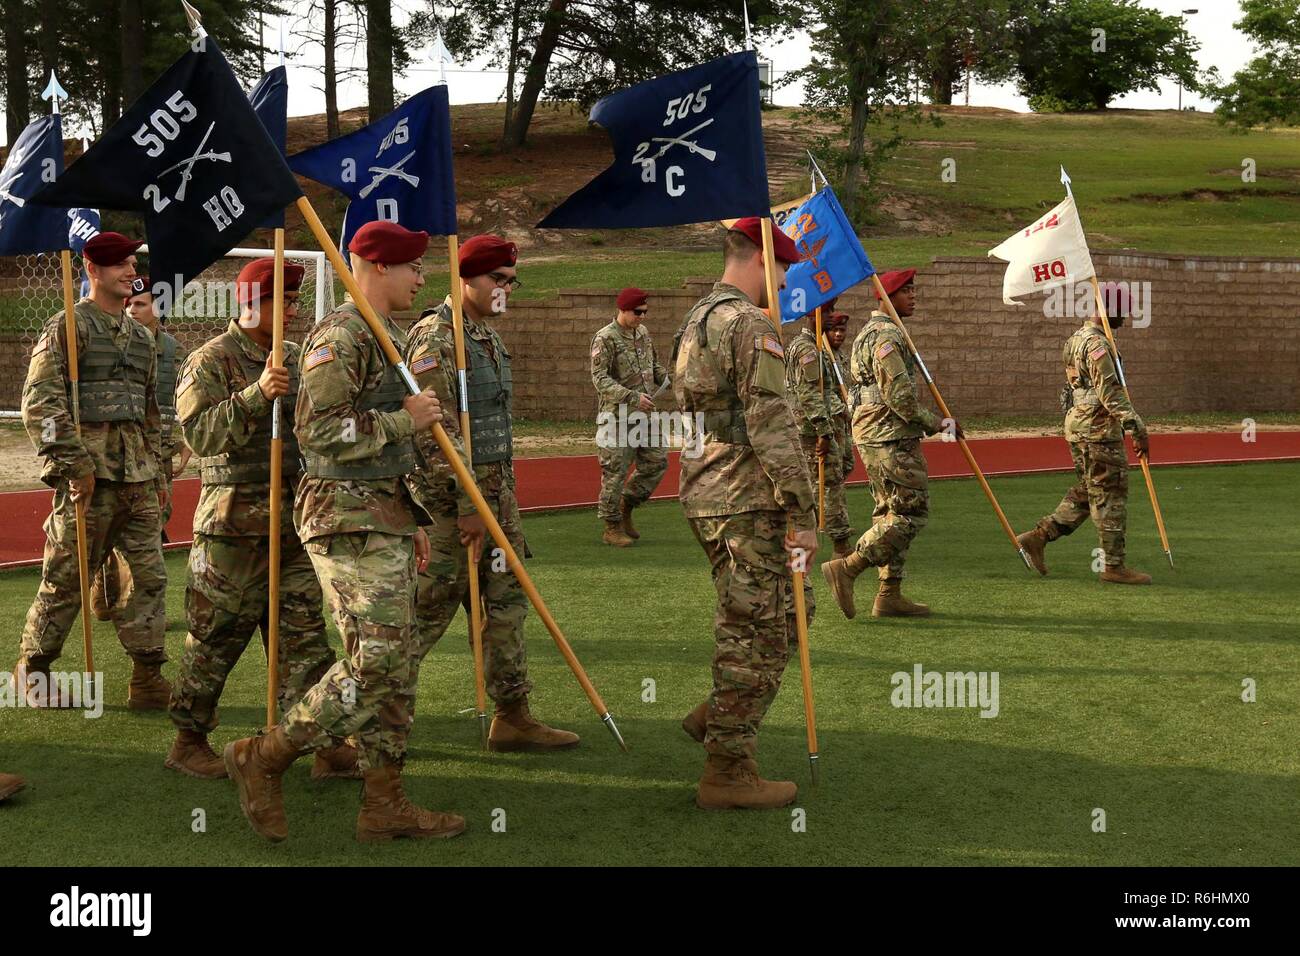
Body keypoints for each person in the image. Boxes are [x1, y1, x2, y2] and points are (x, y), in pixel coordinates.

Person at [224, 221, 465, 843]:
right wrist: (402, 420)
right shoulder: (342, 334)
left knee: (398, 662)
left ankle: (385, 804)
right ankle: (266, 755)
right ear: (379, 268)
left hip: (379, 512)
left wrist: (407, 515)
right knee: (378, 659)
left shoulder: (382, 333)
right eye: (413, 266)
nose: (422, 277)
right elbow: (319, 433)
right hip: (342, 515)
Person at [164, 258, 356, 780]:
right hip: (231, 529)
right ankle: (188, 740)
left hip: (292, 522)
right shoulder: (210, 361)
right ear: (251, 303)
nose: (293, 311)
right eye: (283, 301)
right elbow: (199, 436)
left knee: (304, 637)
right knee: (214, 637)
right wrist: (256, 394)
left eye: (296, 301)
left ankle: (323, 743)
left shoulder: (296, 359)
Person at [405, 234, 578, 752]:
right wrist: (468, 506)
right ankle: (365, 720)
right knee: (422, 619)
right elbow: (435, 435)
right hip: (451, 511)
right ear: (465, 279)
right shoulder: (436, 339)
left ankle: (513, 715)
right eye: (495, 281)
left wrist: (493, 506)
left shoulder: (487, 338)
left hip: (497, 504)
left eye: (510, 282)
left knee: (505, 609)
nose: (505, 290)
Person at [674, 217, 816, 810]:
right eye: (783, 270)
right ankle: (728, 770)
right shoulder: (751, 324)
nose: (784, 284)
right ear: (762, 260)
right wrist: (804, 507)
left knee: (777, 623)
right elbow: (770, 421)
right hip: (746, 500)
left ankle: (720, 716)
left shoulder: (695, 320)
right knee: (754, 634)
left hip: (709, 490)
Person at [16, 231, 170, 709]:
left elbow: (149, 412)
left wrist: (160, 474)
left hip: (138, 478)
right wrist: (73, 464)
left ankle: (146, 678)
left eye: (132, 264)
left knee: (148, 578)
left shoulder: (143, 338)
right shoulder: (68, 327)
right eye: (120, 265)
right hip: (90, 477)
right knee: (67, 577)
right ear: (92, 271)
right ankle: (33, 672)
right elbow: (39, 404)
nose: (130, 272)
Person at [821, 269, 958, 619]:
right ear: (887, 296)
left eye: (914, 289)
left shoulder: (870, 334)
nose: (913, 296)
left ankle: (889, 593)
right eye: (906, 290)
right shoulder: (886, 336)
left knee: (890, 512)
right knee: (911, 513)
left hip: (877, 434)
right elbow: (900, 397)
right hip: (890, 435)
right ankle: (848, 567)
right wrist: (939, 424)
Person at [1016, 283, 1152, 584]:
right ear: (1109, 310)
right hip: (1099, 429)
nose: (1126, 319)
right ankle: (1114, 566)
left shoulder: (1075, 339)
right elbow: (1110, 392)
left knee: (1089, 489)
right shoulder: (1098, 345)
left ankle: (1039, 536)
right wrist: (1136, 426)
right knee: (1110, 494)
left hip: (1079, 426)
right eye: (1123, 312)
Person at [91, 275, 190, 620]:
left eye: (140, 304)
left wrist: (180, 440)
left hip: (157, 453)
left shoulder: (173, 351)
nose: (132, 310)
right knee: (111, 527)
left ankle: (138, 608)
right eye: (129, 304)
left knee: (153, 523)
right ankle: (108, 596)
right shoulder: (113, 342)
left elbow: (177, 400)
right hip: (114, 453)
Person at [590, 286, 669, 547]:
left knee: (657, 462)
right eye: (638, 312)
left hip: (645, 416)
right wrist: (632, 397)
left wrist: (666, 377)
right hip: (617, 417)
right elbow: (599, 378)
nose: (642, 317)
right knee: (614, 471)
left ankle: (627, 504)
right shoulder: (605, 338)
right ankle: (611, 527)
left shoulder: (642, 333)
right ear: (623, 309)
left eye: (645, 312)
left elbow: (652, 363)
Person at [784, 307, 855, 557]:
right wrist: (824, 431)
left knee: (826, 479)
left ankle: (813, 531)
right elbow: (809, 393)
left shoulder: (816, 345)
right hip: (812, 428)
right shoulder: (807, 348)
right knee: (829, 483)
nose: (830, 316)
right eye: (826, 312)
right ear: (811, 315)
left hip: (819, 424)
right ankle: (839, 544)